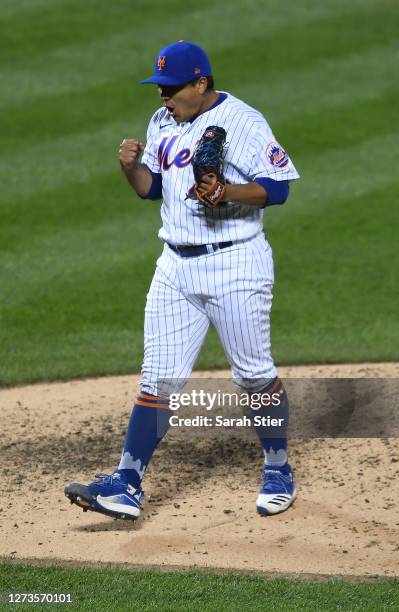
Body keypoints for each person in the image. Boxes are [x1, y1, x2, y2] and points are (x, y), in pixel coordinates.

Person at [65, 41, 300, 520]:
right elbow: (151, 190)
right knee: (158, 378)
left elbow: (278, 187)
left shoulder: (245, 121)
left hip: (236, 263)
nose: (163, 96)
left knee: (254, 376)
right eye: (159, 88)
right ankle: (126, 483)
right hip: (175, 265)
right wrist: (130, 168)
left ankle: (278, 469)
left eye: (172, 88)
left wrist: (227, 192)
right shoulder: (161, 123)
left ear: (201, 83)